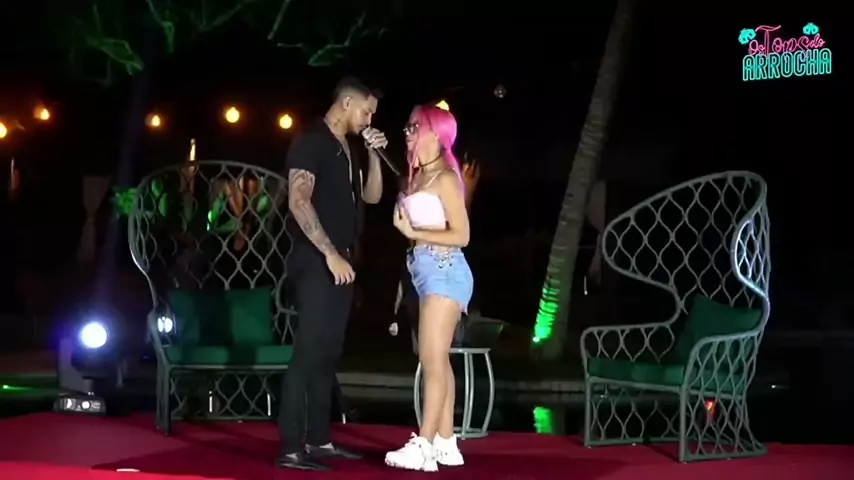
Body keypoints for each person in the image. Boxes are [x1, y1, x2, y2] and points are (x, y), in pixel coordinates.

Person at [278, 76, 387, 471]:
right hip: (317, 259)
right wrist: (328, 254)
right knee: (308, 351)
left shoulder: (349, 148)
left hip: (344, 261)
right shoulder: (312, 140)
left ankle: (319, 439)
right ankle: (291, 447)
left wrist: (374, 155)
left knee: (328, 353)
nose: (369, 118)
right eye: (366, 111)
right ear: (346, 103)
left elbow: (372, 196)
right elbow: (299, 200)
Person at [385, 105, 473, 472]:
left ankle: (423, 445)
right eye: (407, 126)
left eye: (414, 126)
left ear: (435, 134)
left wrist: (413, 232)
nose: (407, 132)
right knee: (438, 360)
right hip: (423, 271)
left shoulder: (447, 179)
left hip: (445, 270)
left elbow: (462, 235)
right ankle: (446, 443)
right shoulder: (417, 177)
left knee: (431, 359)